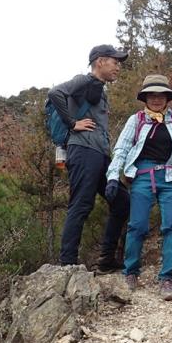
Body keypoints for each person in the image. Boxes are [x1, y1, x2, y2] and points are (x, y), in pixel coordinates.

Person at [105, 74, 172, 301]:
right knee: (137, 225)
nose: (156, 99)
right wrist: (113, 177)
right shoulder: (136, 121)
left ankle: (167, 277)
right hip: (143, 175)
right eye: (151, 95)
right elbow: (121, 149)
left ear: (167, 97)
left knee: (171, 226)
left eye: (161, 95)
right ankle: (130, 272)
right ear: (145, 97)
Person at [48, 44, 130, 271]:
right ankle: (68, 264)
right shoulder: (83, 80)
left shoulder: (99, 89)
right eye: (115, 62)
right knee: (81, 204)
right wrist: (72, 123)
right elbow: (55, 93)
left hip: (100, 154)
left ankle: (106, 259)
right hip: (83, 151)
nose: (118, 67)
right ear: (100, 61)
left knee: (122, 201)